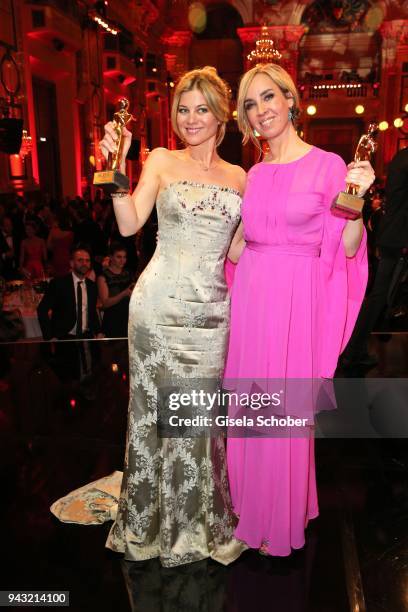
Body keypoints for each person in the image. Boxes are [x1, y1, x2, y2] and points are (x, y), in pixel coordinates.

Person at [52, 67, 246, 567]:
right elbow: (129, 222)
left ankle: (199, 521)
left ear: (221, 115)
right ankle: (151, 521)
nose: (191, 119)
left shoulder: (241, 178)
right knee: (154, 416)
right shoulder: (161, 159)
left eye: (201, 108)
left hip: (211, 314)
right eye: (183, 109)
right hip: (157, 308)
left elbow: (243, 251)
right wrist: (115, 170)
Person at [224, 63, 374, 556]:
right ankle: (250, 512)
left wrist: (357, 199)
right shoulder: (255, 173)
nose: (261, 110)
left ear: (290, 100)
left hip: (297, 297)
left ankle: (279, 519)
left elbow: (346, 246)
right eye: (250, 103)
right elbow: (240, 246)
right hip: (254, 297)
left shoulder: (328, 164)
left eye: (268, 97)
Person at [342, 147, 408, 366]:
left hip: (392, 232)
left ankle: (354, 349)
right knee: (379, 297)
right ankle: (353, 350)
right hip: (399, 236)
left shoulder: (400, 156)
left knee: (379, 296)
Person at [37, 244, 101, 340]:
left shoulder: (92, 286)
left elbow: (92, 312)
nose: (84, 263)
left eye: (87, 261)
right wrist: (49, 336)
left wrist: (98, 331)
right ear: (71, 263)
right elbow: (42, 310)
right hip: (64, 337)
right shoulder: (58, 284)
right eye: (80, 260)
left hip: (86, 336)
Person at [97, 242, 133, 337]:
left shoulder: (128, 274)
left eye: (124, 257)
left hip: (128, 319)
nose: (122, 260)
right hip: (113, 321)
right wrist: (123, 294)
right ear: (111, 257)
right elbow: (105, 303)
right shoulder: (103, 276)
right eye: (119, 257)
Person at [47, 209, 74, 277]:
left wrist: (56, 247)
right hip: (67, 257)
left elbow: (48, 246)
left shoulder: (53, 232)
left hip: (56, 256)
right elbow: (72, 247)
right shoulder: (71, 233)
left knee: (57, 277)